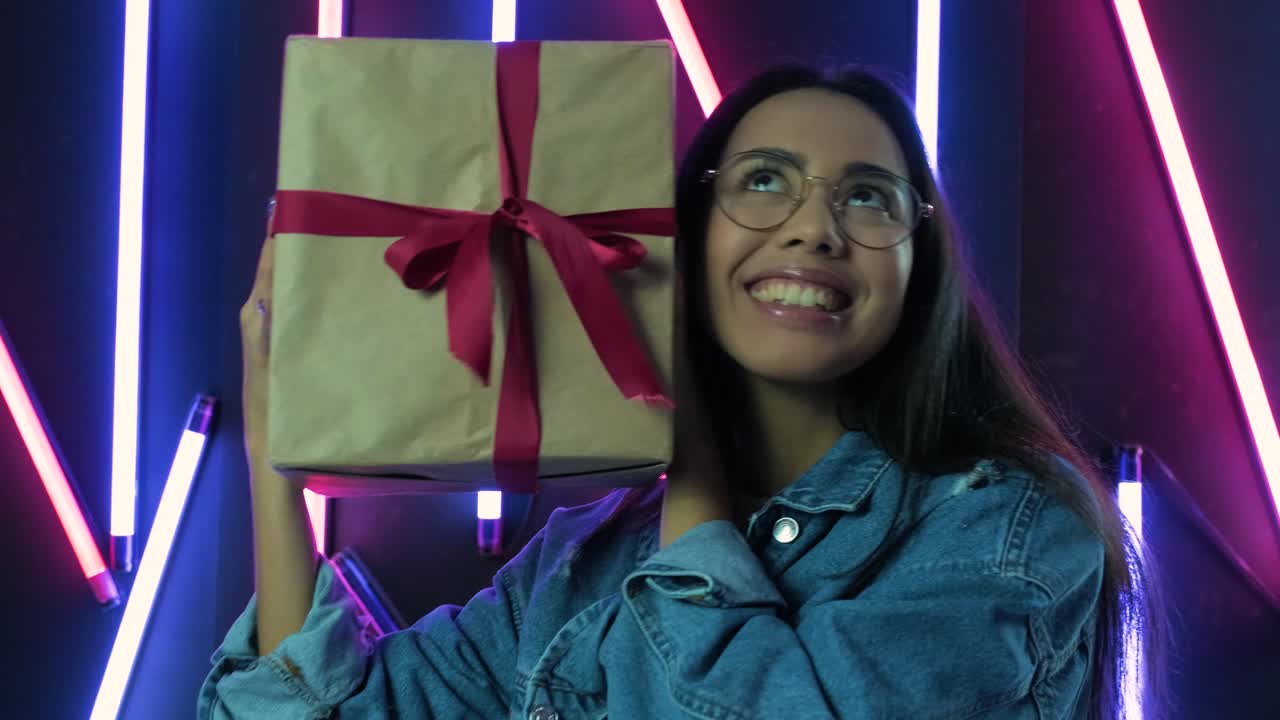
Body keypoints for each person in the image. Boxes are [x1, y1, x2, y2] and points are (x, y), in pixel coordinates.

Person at [200, 64, 1159, 719]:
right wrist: (277, 452)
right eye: (765, 180)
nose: (815, 229)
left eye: (868, 195)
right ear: (685, 234)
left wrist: (689, 454)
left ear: (920, 262)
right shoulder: (578, 563)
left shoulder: (1007, 526)